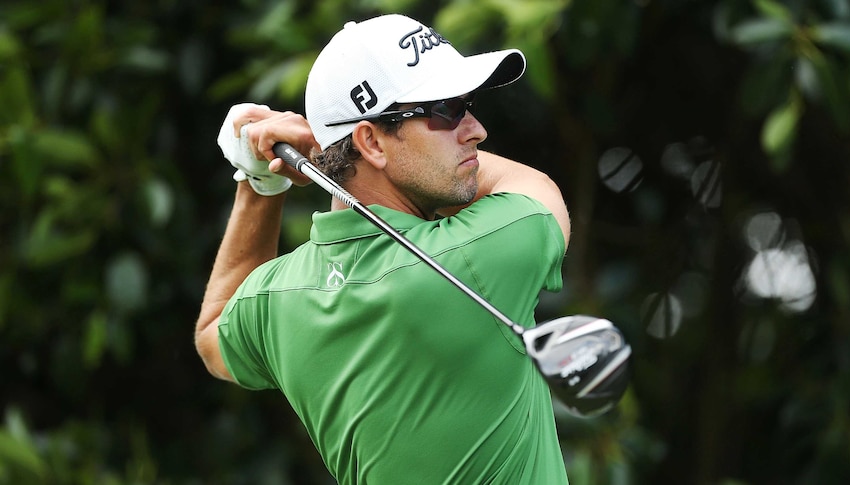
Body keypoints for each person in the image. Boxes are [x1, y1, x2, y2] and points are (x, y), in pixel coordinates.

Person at [195, 13, 572, 484]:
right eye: (446, 109)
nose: (476, 129)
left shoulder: (278, 298)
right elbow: (536, 188)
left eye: (468, 104)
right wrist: (321, 148)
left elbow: (213, 335)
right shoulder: (482, 254)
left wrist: (259, 181)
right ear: (371, 141)